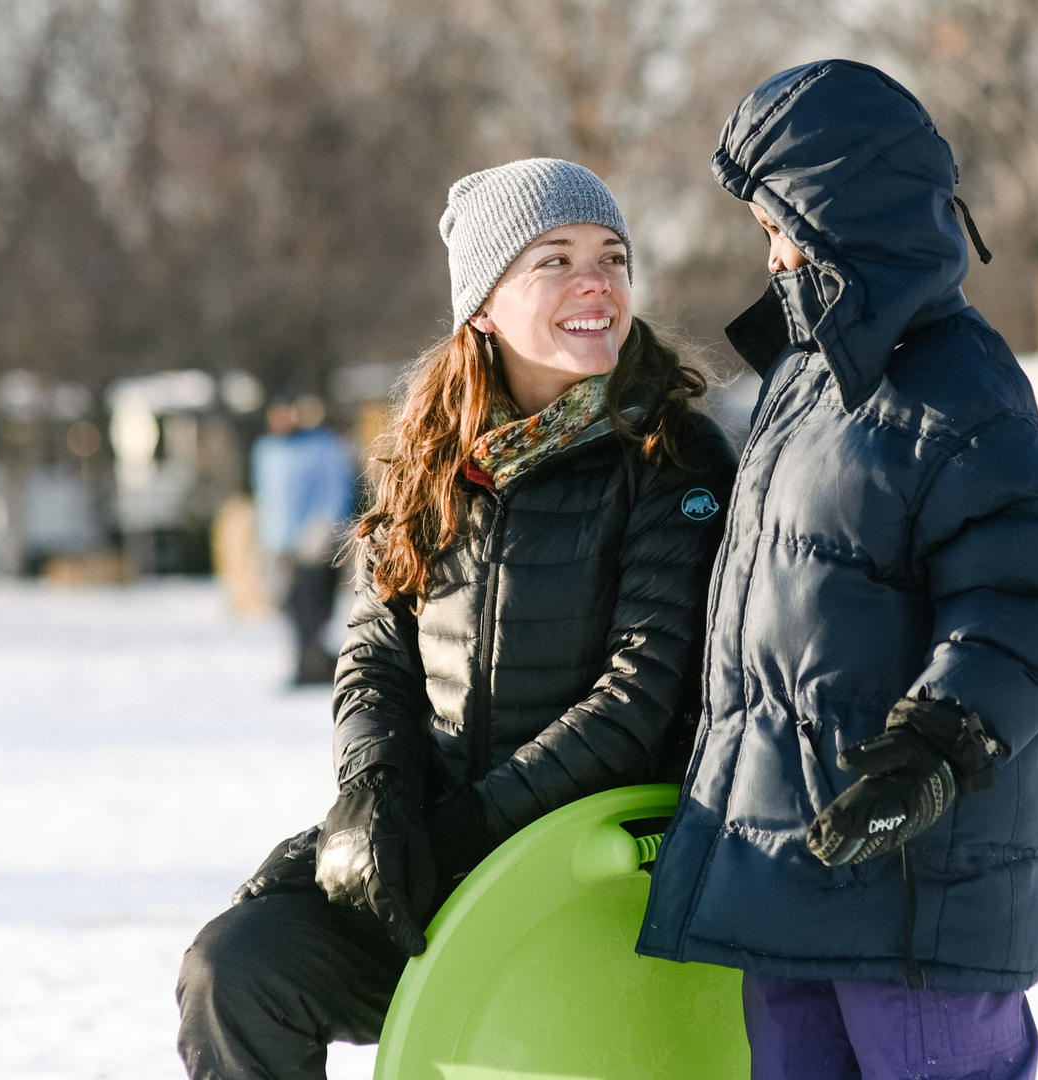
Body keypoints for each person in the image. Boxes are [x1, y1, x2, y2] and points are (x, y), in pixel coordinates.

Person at [177, 157, 738, 1080]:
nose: (596, 281)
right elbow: (372, 661)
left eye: (612, 256)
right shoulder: (426, 458)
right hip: (435, 851)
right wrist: (376, 797)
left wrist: (447, 839)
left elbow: (640, 697)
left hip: (588, 872)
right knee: (238, 970)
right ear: (481, 303)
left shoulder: (672, 457)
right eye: (553, 260)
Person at [636, 60, 1038, 1080]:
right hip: (789, 862)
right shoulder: (806, 382)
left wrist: (935, 750)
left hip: (913, 879)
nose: (769, 258)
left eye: (780, 229)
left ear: (844, 212)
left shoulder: (957, 385)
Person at [251, 391, 357, 684]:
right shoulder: (266, 450)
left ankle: (313, 665)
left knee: (311, 606)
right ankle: (309, 661)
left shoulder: (322, 446)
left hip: (313, 543)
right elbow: (266, 495)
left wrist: (324, 528)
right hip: (279, 543)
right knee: (288, 605)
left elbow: (336, 490)